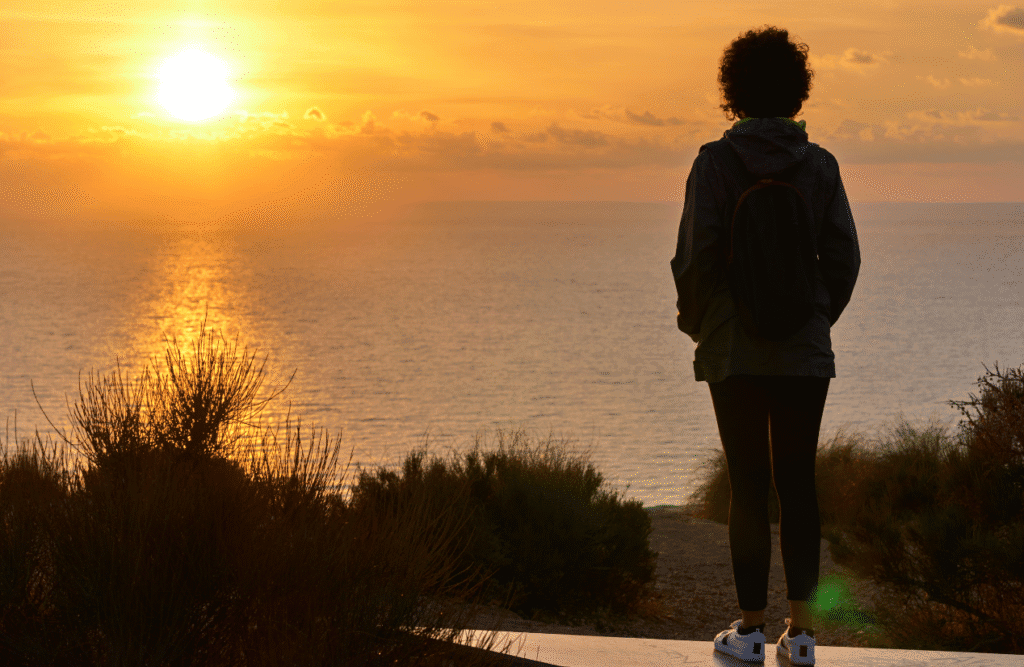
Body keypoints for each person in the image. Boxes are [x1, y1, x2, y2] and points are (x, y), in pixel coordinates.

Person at [671, 25, 861, 665]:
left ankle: (750, 630)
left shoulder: (714, 163)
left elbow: (693, 259)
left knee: (748, 484)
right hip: (805, 349)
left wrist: (707, 328)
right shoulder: (821, 165)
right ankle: (802, 636)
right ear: (796, 90)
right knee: (798, 482)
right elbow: (843, 257)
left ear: (735, 90)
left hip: (735, 351)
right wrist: (814, 320)